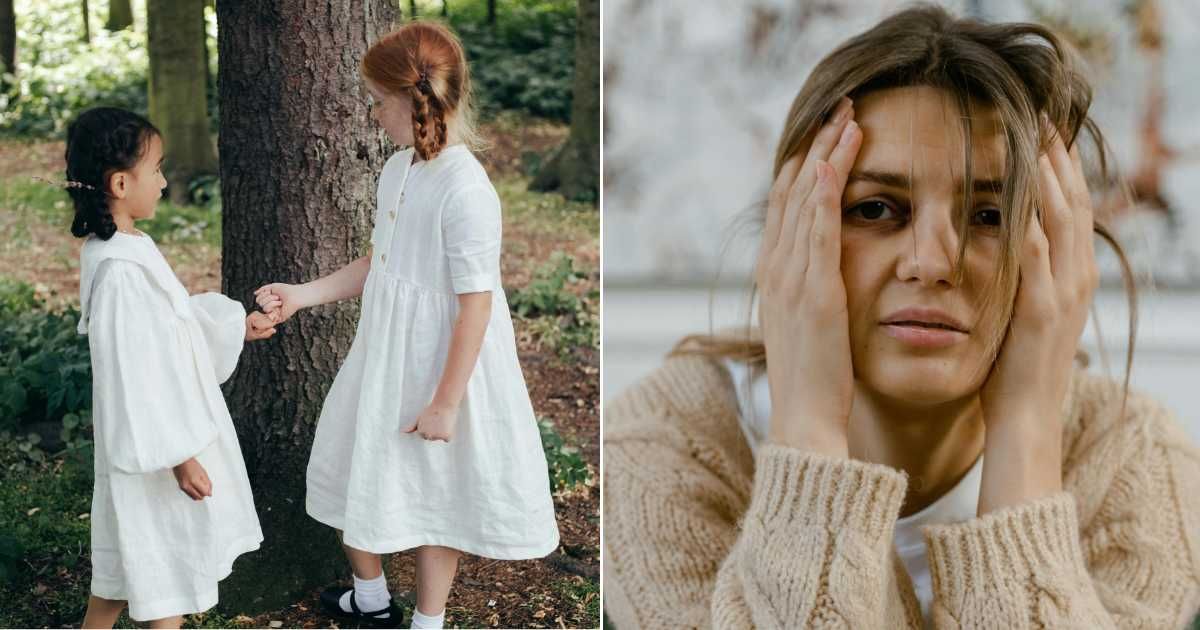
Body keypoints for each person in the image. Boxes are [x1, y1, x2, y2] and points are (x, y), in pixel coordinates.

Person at [603, 6, 1200, 629]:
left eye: (990, 215)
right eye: (876, 208)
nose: (932, 263)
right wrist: (808, 430)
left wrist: (1025, 431)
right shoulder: (664, 451)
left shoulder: (1137, 462)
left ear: (1063, 250)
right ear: (792, 229)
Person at [254, 21, 560, 630]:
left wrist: (446, 403)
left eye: (375, 100)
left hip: (444, 366)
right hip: (385, 354)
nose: (371, 114)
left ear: (408, 99)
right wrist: (301, 295)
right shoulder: (399, 171)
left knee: (435, 494)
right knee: (350, 459)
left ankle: (428, 620)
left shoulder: (466, 189)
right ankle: (370, 598)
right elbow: (382, 263)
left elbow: (476, 304)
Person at [67, 107, 276, 629]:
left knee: (119, 583)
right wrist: (181, 457)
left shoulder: (130, 247)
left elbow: (171, 328)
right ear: (119, 182)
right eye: (157, 169)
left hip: (156, 448)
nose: (163, 181)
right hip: (154, 456)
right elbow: (134, 375)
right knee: (168, 581)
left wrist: (233, 326)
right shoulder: (117, 273)